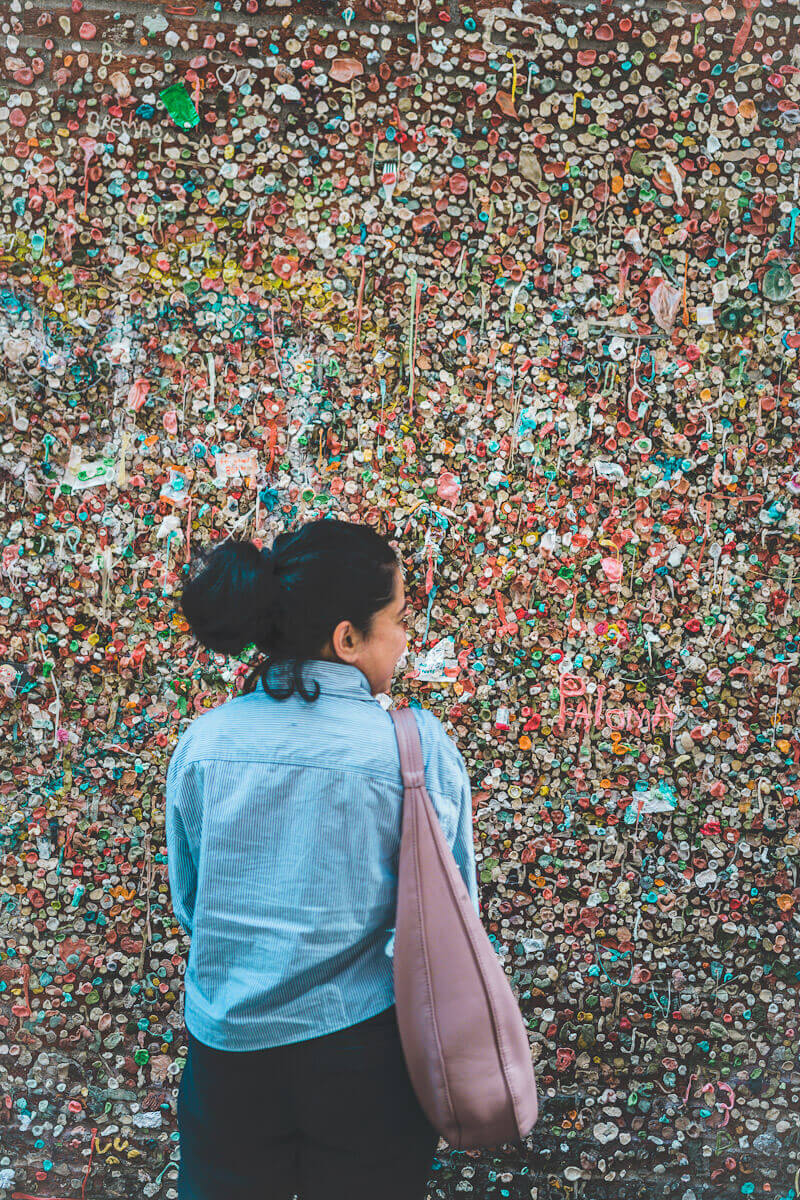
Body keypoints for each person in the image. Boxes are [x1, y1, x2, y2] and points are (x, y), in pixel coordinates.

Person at [165, 517, 480, 1200]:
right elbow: (452, 912)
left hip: (229, 1058)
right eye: (396, 618)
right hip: (363, 1055)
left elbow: (192, 904)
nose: (405, 638)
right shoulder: (415, 749)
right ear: (347, 638)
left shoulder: (204, 744)